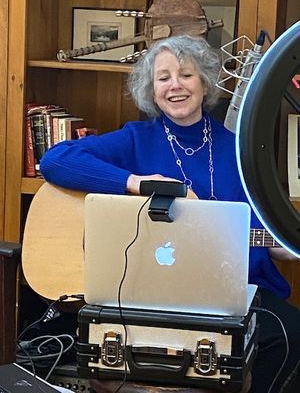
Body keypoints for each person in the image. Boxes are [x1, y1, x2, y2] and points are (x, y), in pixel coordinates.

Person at [40, 35, 300, 392]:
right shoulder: (136, 139)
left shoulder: (240, 149)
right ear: (152, 89)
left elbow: (266, 235)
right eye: (163, 78)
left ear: (205, 82)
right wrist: (138, 183)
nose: (175, 85)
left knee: (288, 334)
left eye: (186, 75)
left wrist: (287, 244)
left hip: (233, 289)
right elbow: (54, 160)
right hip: (150, 289)